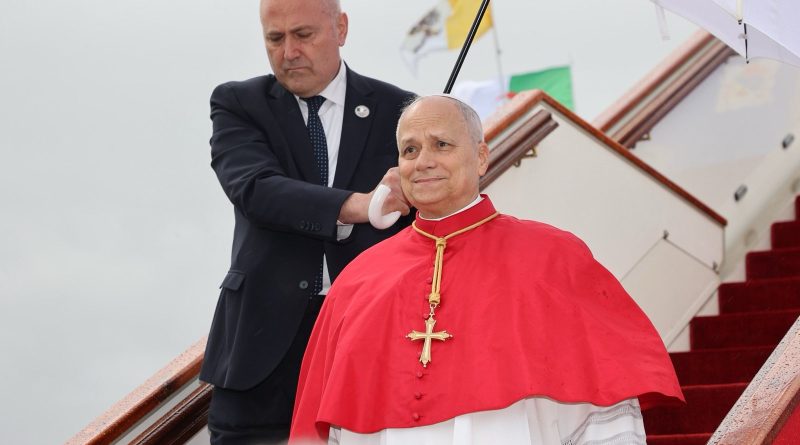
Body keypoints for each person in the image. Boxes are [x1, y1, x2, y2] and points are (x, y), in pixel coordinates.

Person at [289, 95, 685, 444]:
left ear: (481, 156)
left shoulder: (553, 256)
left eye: (441, 144)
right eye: (409, 150)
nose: (423, 161)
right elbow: (326, 428)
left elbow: (604, 410)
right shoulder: (359, 280)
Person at [200, 0, 415, 442]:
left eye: (303, 35)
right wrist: (361, 205)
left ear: (341, 28)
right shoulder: (238, 103)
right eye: (274, 39)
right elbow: (256, 189)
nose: (288, 52)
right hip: (259, 356)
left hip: (368, 341)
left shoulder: (403, 112)